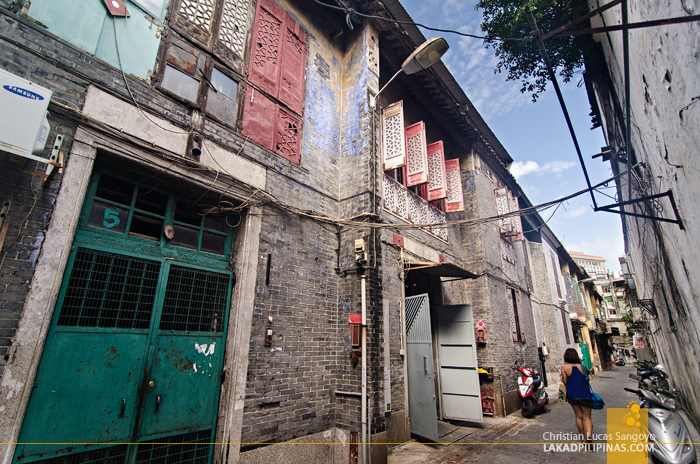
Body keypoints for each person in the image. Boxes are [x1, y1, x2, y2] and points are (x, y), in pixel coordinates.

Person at [560, 348, 593, 443]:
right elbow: (588, 373)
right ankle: (589, 435)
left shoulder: (564, 367)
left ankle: (583, 438)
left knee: (579, 416)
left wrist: (561, 376)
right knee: (587, 417)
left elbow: (565, 381)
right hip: (585, 394)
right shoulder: (582, 366)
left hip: (573, 395)